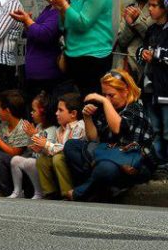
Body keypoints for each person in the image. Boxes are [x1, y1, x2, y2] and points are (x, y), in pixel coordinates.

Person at [63, 70, 155, 201]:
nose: (107, 99)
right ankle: (102, 185)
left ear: (125, 91)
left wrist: (104, 102)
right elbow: (93, 139)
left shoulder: (135, 108)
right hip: (107, 154)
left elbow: (118, 128)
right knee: (71, 146)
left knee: (105, 168)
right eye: (104, 95)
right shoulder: (108, 107)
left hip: (133, 163)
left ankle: (81, 192)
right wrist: (87, 117)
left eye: (111, 95)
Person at [50, 0, 114, 97]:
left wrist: (65, 5)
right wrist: (61, 9)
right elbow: (65, 25)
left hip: (92, 58)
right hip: (75, 55)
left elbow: (82, 23)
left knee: (91, 101)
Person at [11, 0, 74, 105]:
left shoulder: (59, 11)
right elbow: (35, 33)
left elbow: (45, 34)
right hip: (37, 75)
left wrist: (27, 21)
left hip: (47, 76)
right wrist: (28, 23)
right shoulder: (49, 9)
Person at [34, 92, 85, 198]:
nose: (56, 113)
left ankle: (67, 194)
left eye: (60, 110)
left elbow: (68, 149)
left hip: (78, 162)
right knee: (42, 160)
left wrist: (47, 144)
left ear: (73, 114)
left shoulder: (80, 126)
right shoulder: (60, 129)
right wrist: (42, 148)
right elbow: (54, 149)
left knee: (58, 158)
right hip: (64, 160)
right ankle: (50, 193)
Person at [140, 0, 168, 170]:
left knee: (167, 130)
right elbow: (141, 49)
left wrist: (157, 56)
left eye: (154, 5)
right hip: (151, 89)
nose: (149, 8)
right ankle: (158, 160)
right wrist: (142, 53)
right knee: (155, 129)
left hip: (166, 89)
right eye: (149, 4)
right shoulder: (151, 30)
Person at [116, 0, 161, 75]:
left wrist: (136, 22)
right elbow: (121, 42)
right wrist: (130, 25)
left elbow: (155, 38)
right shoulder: (130, 6)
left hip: (148, 69)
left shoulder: (159, 7)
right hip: (126, 66)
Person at [8, 94, 53, 198]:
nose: (31, 114)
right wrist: (30, 136)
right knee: (15, 160)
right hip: (34, 157)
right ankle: (17, 191)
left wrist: (34, 134)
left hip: (44, 161)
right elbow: (31, 148)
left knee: (29, 162)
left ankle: (39, 192)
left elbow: (48, 149)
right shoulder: (38, 126)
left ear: (43, 112)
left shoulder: (52, 129)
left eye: (34, 110)